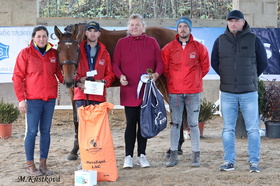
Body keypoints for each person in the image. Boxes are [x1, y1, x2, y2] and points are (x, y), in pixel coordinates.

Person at [211, 10, 268, 173]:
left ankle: (254, 162)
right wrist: (228, 76)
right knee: (228, 129)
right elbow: (214, 61)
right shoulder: (220, 40)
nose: (233, 24)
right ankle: (229, 161)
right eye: (230, 21)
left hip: (249, 92)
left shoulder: (253, 39)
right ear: (228, 23)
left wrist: (250, 76)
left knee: (253, 129)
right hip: (227, 93)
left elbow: (263, 61)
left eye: (236, 21)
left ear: (243, 22)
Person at [113, 14, 164, 168]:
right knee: (130, 123)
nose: (134, 27)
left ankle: (142, 155)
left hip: (147, 92)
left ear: (143, 27)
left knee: (144, 124)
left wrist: (155, 75)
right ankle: (128, 156)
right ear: (128, 27)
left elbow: (160, 63)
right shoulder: (121, 43)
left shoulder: (152, 42)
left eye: (137, 25)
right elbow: (115, 63)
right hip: (129, 91)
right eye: (132, 25)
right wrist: (120, 76)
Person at [12, 25, 64, 176]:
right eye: (39, 36)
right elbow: (17, 77)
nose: (42, 39)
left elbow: (60, 75)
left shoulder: (54, 54)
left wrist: (73, 80)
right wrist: (21, 99)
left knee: (46, 131)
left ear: (48, 38)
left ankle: (43, 164)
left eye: (44, 36)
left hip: (50, 100)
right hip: (33, 100)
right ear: (33, 38)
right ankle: (30, 165)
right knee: (32, 131)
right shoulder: (25, 53)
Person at [161, 16, 210, 167]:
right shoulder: (169, 48)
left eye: (185, 26)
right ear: (177, 29)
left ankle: (196, 156)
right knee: (175, 124)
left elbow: (205, 67)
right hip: (175, 92)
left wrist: (193, 80)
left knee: (193, 125)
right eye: (180, 26)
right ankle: (174, 156)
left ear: (190, 29)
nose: (182, 29)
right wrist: (176, 80)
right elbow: (165, 68)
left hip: (193, 92)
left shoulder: (199, 48)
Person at [74, 21, 114, 109]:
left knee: (98, 123)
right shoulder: (77, 51)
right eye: (90, 30)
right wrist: (78, 82)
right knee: (83, 123)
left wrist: (102, 81)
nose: (92, 33)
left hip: (98, 96)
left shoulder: (105, 53)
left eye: (95, 31)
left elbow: (110, 74)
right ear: (86, 33)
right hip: (82, 96)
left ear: (99, 33)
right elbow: (70, 71)